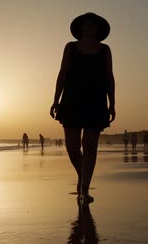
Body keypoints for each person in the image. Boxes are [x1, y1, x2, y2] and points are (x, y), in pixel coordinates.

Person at [50, 13, 116, 205]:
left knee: (90, 146)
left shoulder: (105, 50)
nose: (89, 28)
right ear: (80, 29)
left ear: (97, 30)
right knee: (72, 147)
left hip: (96, 100)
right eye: (86, 25)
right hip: (72, 99)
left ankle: (84, 190)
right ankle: (82, 176)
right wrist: (55, 99)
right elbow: (62, 72)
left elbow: (109, 76)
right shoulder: (70, 47)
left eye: (92, 26)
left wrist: (112, 103)